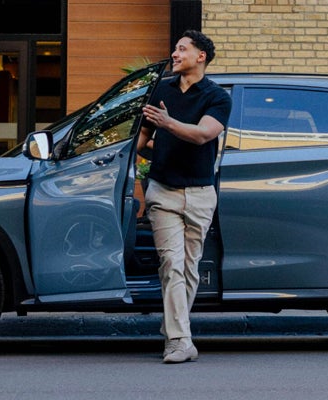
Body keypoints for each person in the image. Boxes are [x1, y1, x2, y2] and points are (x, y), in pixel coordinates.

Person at [137, 30, 232, 364]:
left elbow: (204, 134)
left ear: (200, 56)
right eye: (175, 49)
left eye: (181, 49)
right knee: (171, 264)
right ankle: (179, 341)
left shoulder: (217, 97)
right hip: (163, 191)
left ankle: (174, 330)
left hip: (201, 194)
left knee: (189, 269)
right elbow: (142, 139)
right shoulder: (161, 90)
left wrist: (167, 123)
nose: (174, 54)